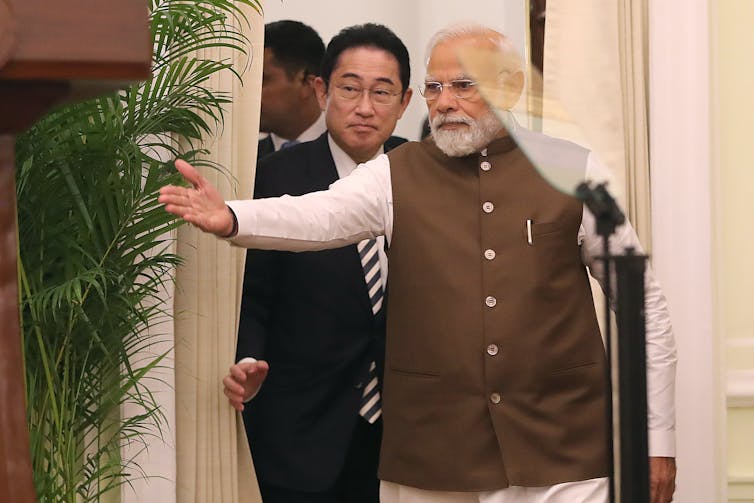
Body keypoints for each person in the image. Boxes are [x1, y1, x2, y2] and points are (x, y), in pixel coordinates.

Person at [161, 22, 677, 503]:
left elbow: (644, 310)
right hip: (434, 450)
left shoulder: (575, 169)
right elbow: (318, 214)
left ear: (512, 87)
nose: (445, 102)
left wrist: (658, 439)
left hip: (562, 442)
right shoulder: (395, 172)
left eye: (464, 86)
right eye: (434, 88)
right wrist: (229, 216)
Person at [231, 23, 412, 503]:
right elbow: (253, 295)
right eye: (350, 89)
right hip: (301, 430)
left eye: (382, 92)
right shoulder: (272, 178)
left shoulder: (426, 176)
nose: (365, 107)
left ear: (406, 101)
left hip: (409, 433)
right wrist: (247, 360)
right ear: (322, 89)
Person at [258, 20, 326, 159]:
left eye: (262, 79)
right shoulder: (247, 164)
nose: (248, 94)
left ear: (307, 83)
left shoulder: (357, 155)